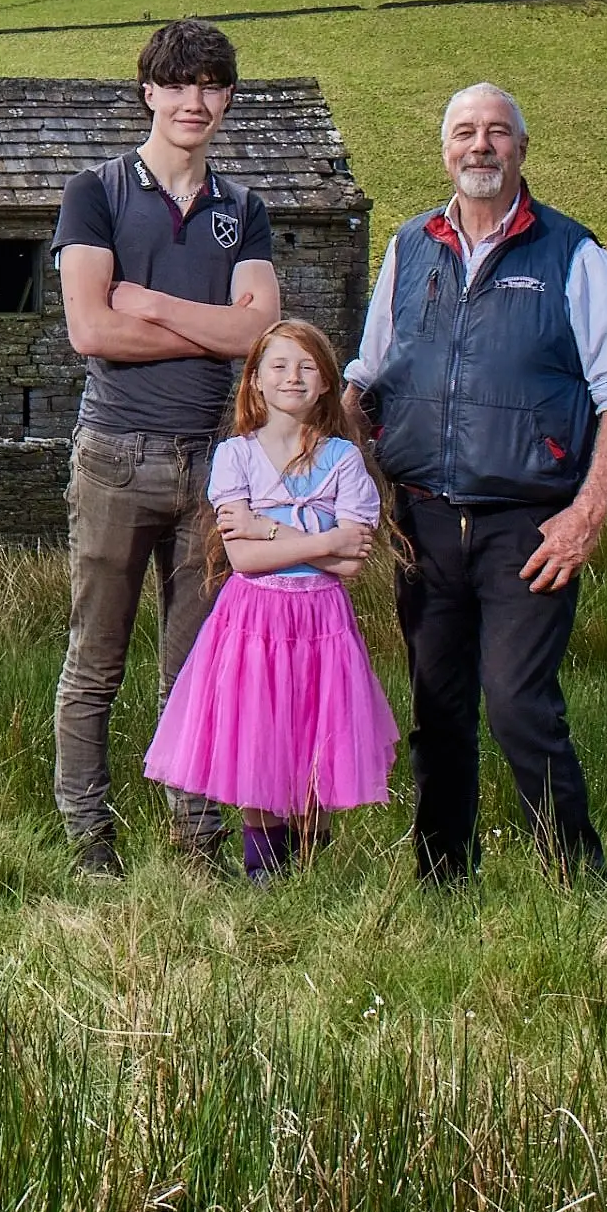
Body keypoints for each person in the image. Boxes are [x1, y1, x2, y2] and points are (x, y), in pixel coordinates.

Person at [343, 83, 607, 885]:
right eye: (464, 133)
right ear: (444, 147)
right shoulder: (409, 249)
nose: (480, 147)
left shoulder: (575, 256)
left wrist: (587, 514)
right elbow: (366, 376)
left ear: (523, 147)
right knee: (437, 713)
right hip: (425, 521)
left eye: (496, 133)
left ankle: (575, 881)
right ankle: (444, 880)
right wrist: (358, 485)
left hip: (530, 526)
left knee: (520, 707)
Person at [47, 18, 283, 879]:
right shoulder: (96, 190)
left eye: (213, 85)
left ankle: (197, 843)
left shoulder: (245, 209)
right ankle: (89, 843)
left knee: (196, 670)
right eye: (178, 84)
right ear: (148, 92)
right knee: (94, 662)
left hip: (214, 464)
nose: (195, 101)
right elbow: (88, 328)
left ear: (227, 98)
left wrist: (152, 305)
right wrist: (215, 329)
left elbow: (260, 335)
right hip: (114, 453)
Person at [143, 319, 401, 879]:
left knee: (315, 742)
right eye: (279, 366)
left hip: (321, 621)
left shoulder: (343, 459)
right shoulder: (236, 456)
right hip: (254, 619)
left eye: (308, 366)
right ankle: (264, 877)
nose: (293, 377)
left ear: (328, 383)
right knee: (260, 743)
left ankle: (306, 876)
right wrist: (324, 539)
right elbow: (244, 560)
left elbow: (352, 562)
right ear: (255, 380)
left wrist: (269, 527)